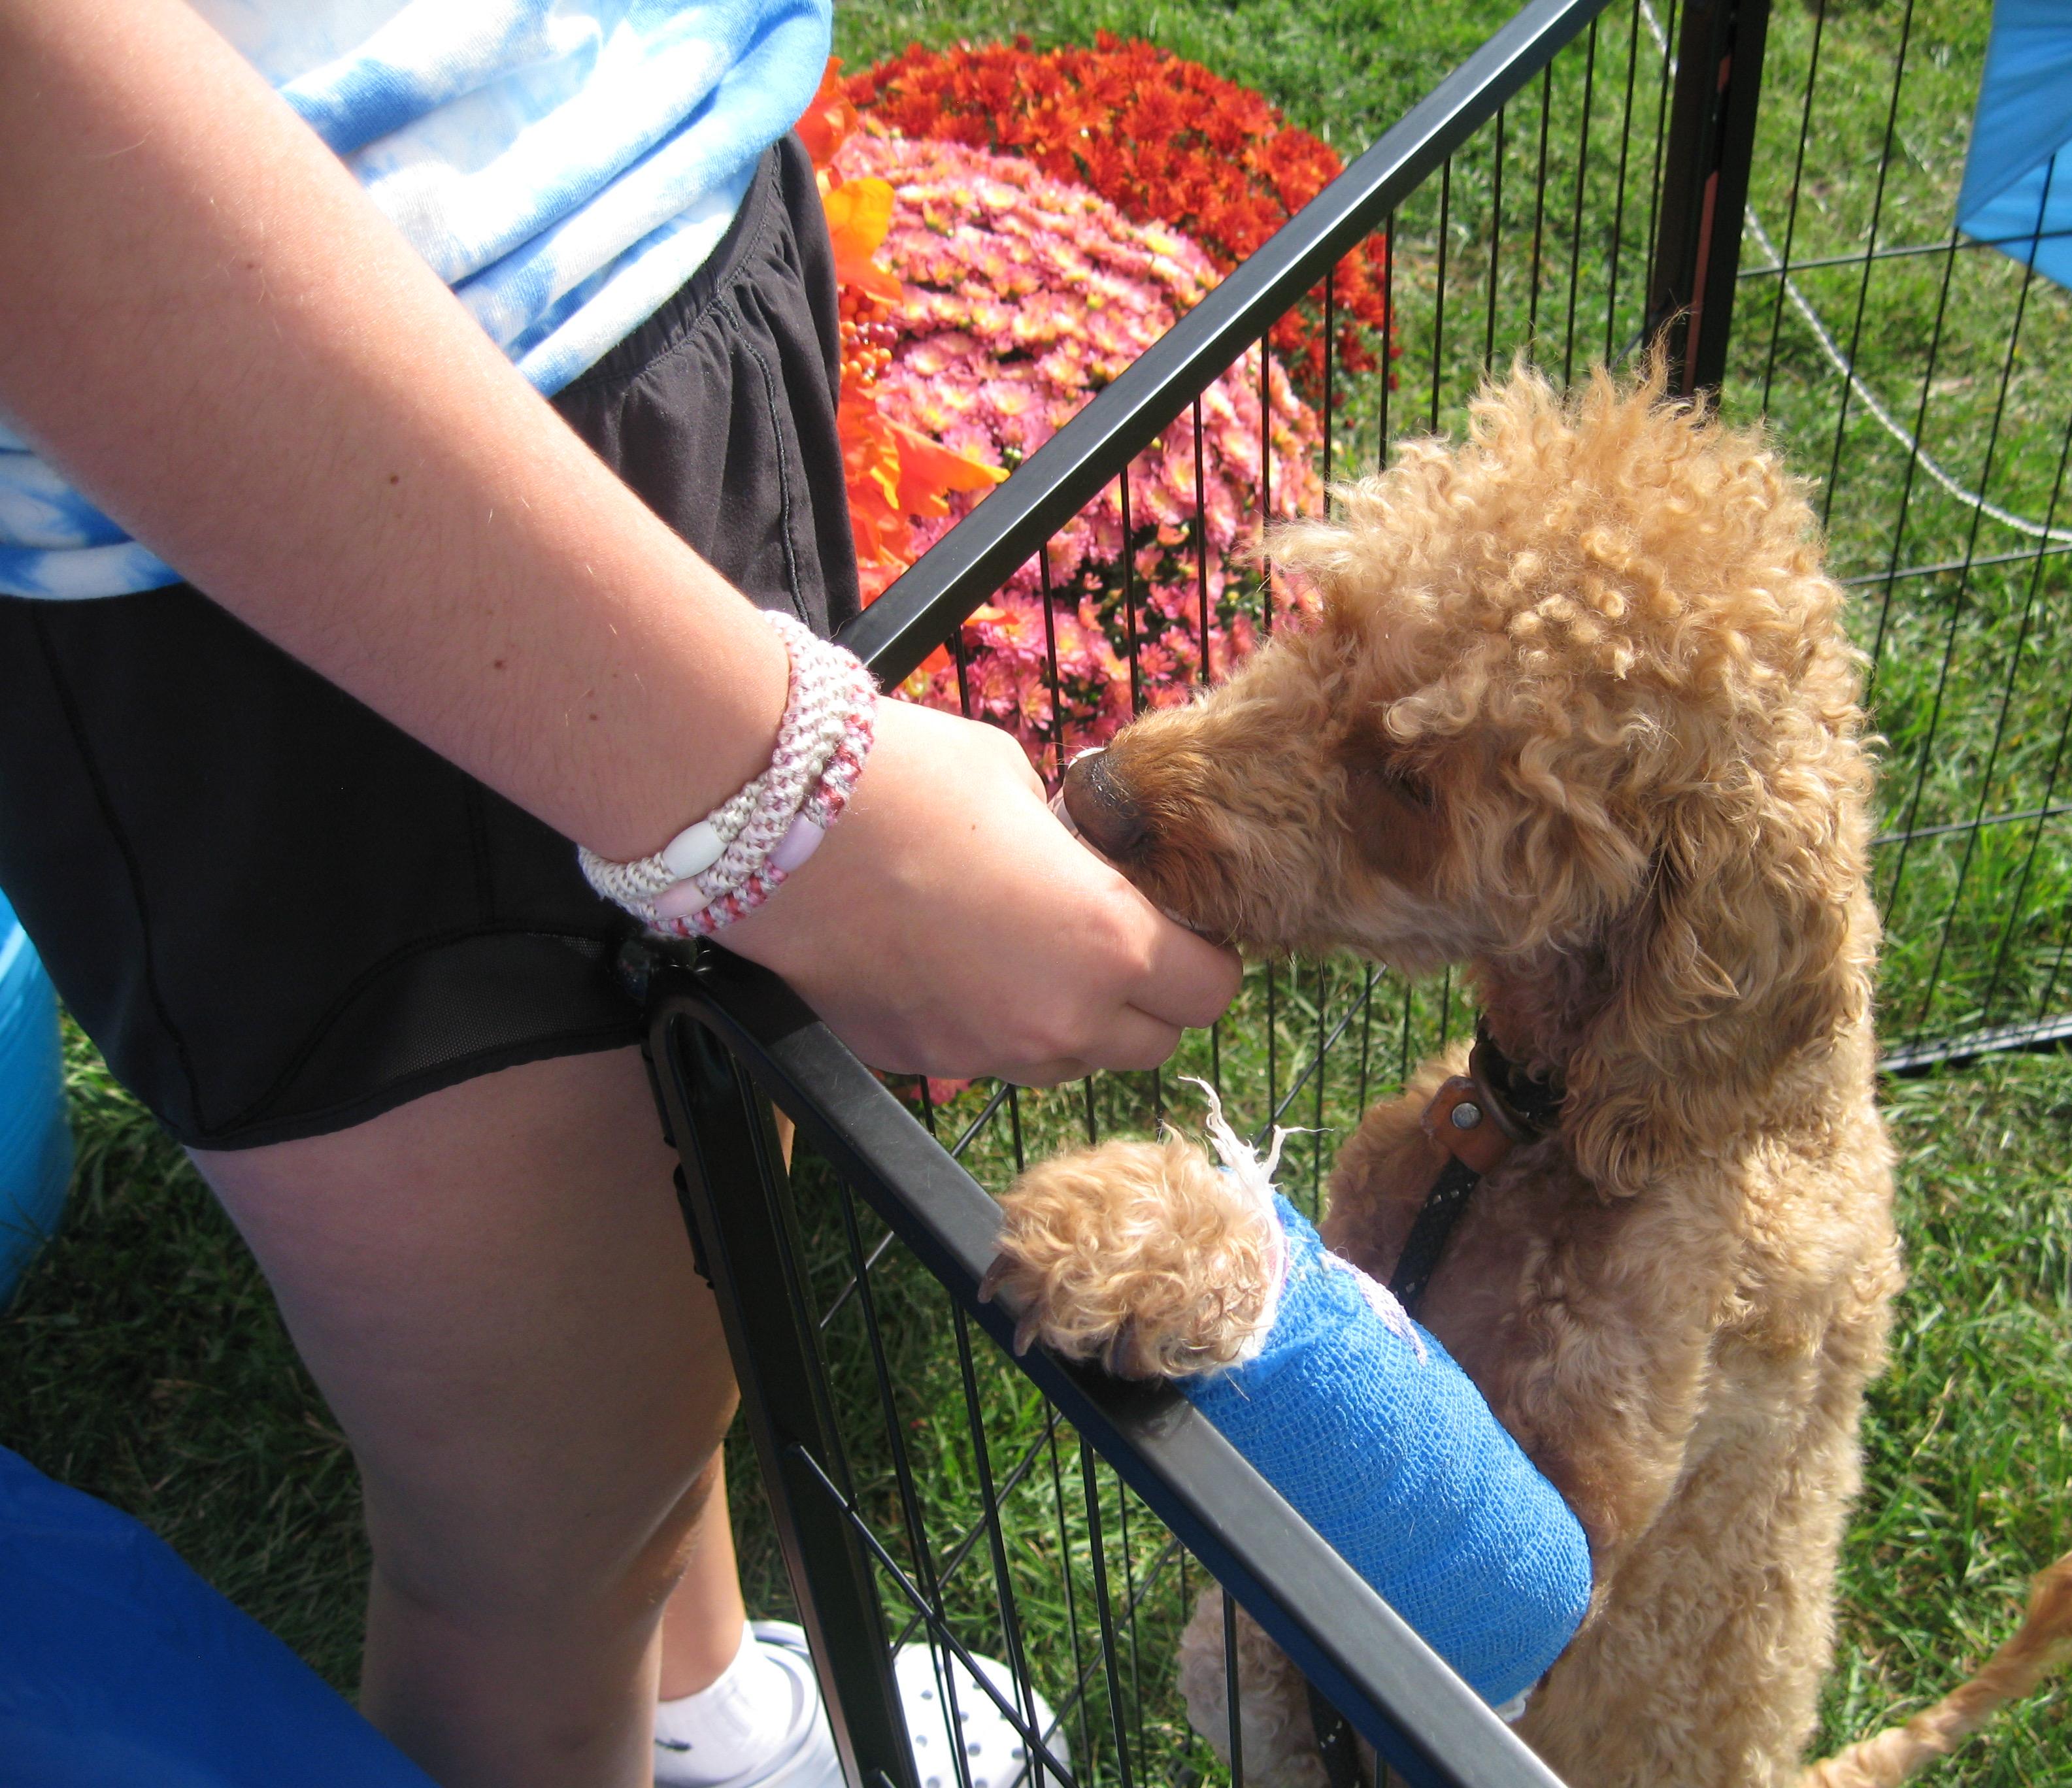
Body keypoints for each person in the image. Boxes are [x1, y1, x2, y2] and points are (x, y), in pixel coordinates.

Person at [0, 3, 1243, 1785]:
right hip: (273, 499)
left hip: (644, 262)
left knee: (669, 1269)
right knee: (531, 1546)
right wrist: (786, 799)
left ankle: (700, 1708)